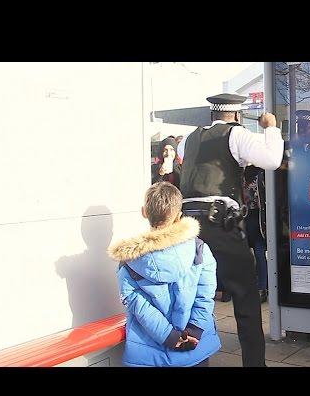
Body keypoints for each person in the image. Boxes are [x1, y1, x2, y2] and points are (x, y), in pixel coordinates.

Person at [180, 93, 284, 367]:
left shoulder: (189, 139)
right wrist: (271, 128)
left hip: (186, 222)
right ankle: (254, 363)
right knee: (245, 293)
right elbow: (272, 160)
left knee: (192, 291)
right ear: (236, 115)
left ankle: (192, 358)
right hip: (220, 220)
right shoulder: (236, 134)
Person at [108, 182, 221, 367]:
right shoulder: (199, 249)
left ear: (144, 212)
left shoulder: (129, 262)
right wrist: (195, 330)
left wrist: (168, 336)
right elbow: (206, 294)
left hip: (150, 354)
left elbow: (139, 305)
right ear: (179, 214)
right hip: (195, 349)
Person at [243, 165, 268, 304]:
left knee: (259, 253)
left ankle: (262, 288)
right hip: (243, 216)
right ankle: (248, 287)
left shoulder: (262, 173)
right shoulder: (240, 172)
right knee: (243, 254)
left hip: (259, 218)